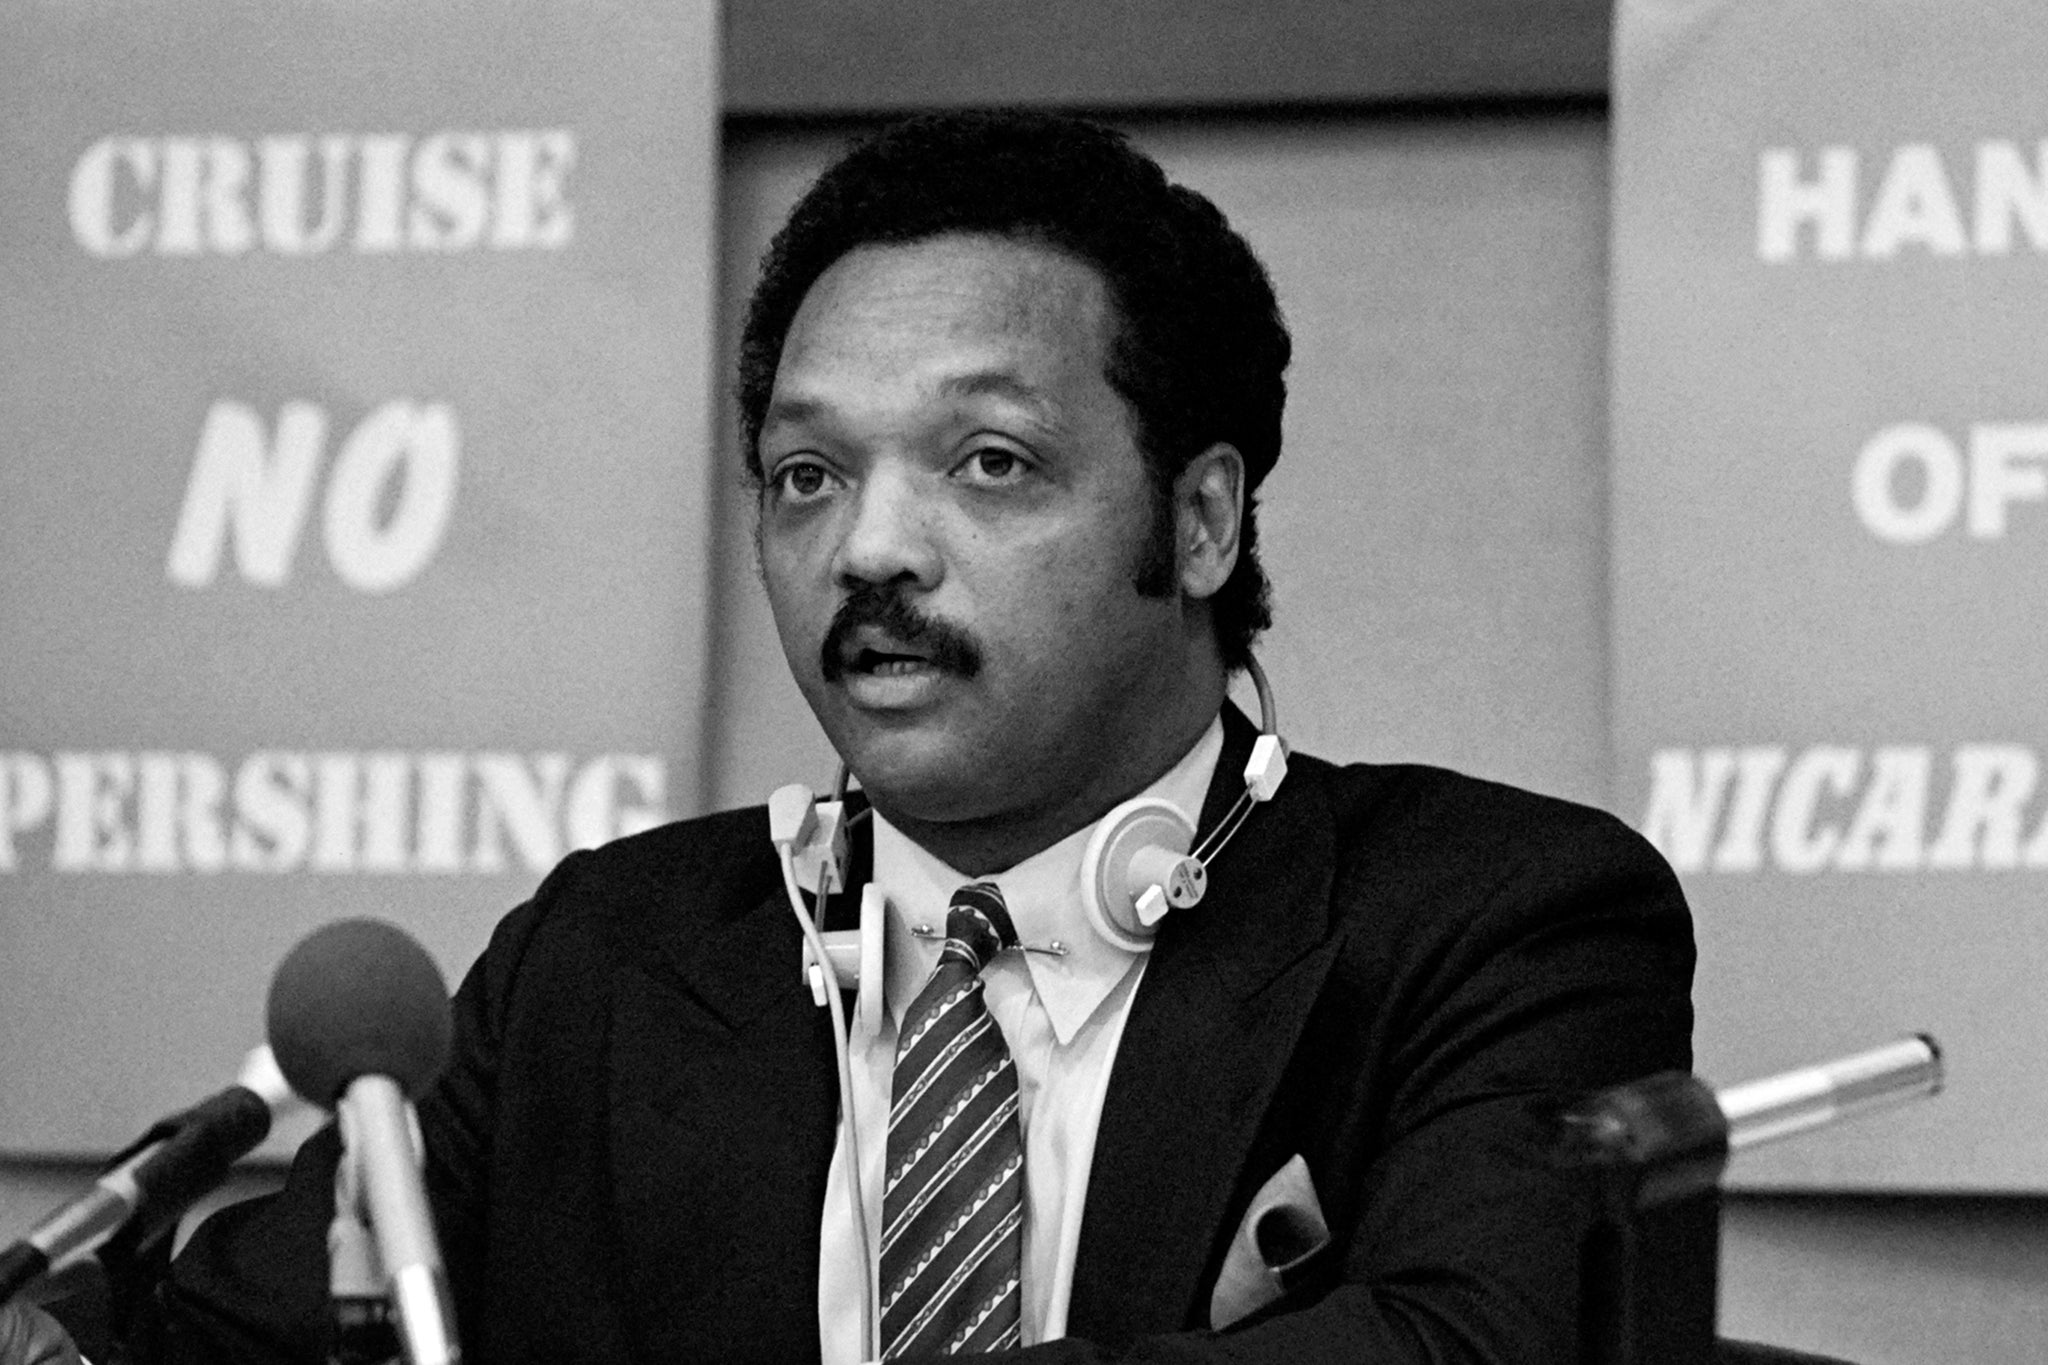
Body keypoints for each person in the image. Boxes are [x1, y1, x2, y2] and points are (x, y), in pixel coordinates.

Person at [38, 110, 1694, 1363]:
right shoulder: (606, 965)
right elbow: (218, 1335)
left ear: (1199, 522)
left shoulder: (1501, 923)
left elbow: (1480, 1339)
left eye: (990, 462)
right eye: (807, 475)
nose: (869, 549)